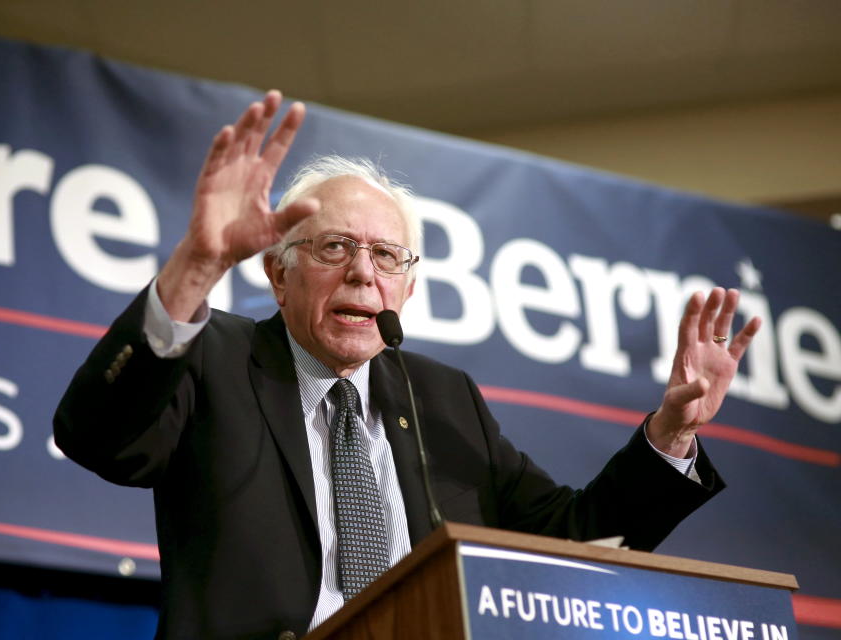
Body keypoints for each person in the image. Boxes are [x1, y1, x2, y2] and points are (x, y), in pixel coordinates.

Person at [54, 90, 760, 640]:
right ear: (278, 273)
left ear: (408, 288)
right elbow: (98, 438)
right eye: (334, 248)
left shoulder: (442, 399)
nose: (364, 274)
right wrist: (195, 268)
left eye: (387, 256)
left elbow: (573, 540)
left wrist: (670, 433)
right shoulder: (214, 355)